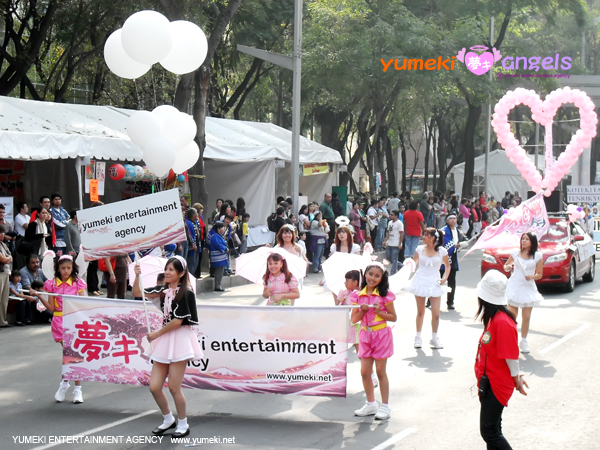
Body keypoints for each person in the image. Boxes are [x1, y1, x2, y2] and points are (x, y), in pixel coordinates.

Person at [132, 256, 202, 439]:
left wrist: (156, 334)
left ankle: (183, 423)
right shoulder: (163, 290)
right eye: (167, 269)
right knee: (154, 386)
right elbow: (137, 293)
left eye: (171, 269)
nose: (168, 272)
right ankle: (168, 418)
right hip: (165, 339)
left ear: (181, 273)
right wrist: (136, 275)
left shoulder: (186, 292)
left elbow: (178, 321)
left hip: (179, 340)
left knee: (173, 387)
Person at [474, 270, 528, 449]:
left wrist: (517, 378)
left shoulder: (502, 322)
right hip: (490, 380)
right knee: (493, 430)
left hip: (497, 383)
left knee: (490, 432)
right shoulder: (494, 317)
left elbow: (511, 356)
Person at [36, 254, 87, 403]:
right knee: (69, 354)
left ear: (73, 268)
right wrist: (40, 296)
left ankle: (72, 388)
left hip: (75, 321)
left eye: (69, 268)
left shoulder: (78, 283)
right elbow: (51, 308)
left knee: (73, 354)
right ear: (58, 268)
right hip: (59, 322)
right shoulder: (51, 284)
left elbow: (84, 303)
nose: (66, 271)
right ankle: (67, 386)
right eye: (63, 268)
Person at [350, 262, 397, 420]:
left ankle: (385, 406)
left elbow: (393, 317)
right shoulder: (358, 295)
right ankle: (371, 404)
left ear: (382, 278)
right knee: (365, 372)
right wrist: (362, 311)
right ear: (365, 275)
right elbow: (353, 319)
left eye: (377, 276)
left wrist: (378, 311)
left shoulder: (385, 295)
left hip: (381, 335)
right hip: (365, 335)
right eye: (370, 274)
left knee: (380, 371)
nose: (373, 278)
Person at [404, 228, 450, 349]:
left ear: (433, 237)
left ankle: (434, 338)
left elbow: (447, 266)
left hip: (434, 282)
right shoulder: (419, 249)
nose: (423, 237)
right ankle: (418, 337)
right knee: (421, 311)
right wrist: (405, 271)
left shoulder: (442, 251)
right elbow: (413, 264)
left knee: (436, 314)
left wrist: (444, 279)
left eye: (425, 235)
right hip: (420, 281)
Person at [503, 232, 543, 354]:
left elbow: (539, 274)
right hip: (515, 286)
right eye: (523, 239)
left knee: (526, 316)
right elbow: (506, 266)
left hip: (528, 287)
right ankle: (512, 340)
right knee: (512, 316)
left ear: (532, 241)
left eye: (527, 239)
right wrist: (508, 267)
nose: (524, 241)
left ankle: (524, 341)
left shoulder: (537, 255)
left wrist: (531, 276)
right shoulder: (515, 253)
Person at [440, 213, 464, 310]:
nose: (453, 220)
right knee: (438, 279)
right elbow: (446, 245)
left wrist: (461, 244)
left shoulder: (457, 231)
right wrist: (457, 245)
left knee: (452, 281)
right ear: (447, 221)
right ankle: (430, 299)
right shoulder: (444, 231)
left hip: (452, 258)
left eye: (454, 218)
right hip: (442, 258)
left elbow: (459, 241)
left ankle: (450, 302)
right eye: (451, 219)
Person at [335, 270, 361, 352]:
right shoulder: (343, 292)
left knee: (358, 342)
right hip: (344, 321)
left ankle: (362, 360)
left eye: (347, 280)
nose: (344, 283)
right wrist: (341, 301)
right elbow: (337, 305)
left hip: (356, 322)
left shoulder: (361, 294)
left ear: (355, 282)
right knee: (342, 341)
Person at [207, 222, 228, 292]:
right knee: (219, 272)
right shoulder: (215, 236)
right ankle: (217, 286)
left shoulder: (218, 235)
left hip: (220, 258)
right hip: (218, 258)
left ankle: (218, 285)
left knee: (220, 272)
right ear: (219, 229)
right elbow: (218, 245)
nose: (224, 228)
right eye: (223, 227)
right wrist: (225, 248)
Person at [383, 210, 404, 275]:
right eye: (390, 214)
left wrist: (400, 243)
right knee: (389, 258)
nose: (390, 216)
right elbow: (388, 232)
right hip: (390, 243)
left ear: (396, 216)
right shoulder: (390, 223)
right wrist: (385, 241)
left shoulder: (399, 223)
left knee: (394, 259)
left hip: (396, 243)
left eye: (392, 215)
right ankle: (402, 266)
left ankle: (393, 273)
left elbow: (401, 234)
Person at [0, 225, 12, 328]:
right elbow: (3, 260)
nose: (2, 235)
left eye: (3, 233)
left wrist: (7, 258)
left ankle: (2, 321)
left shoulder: (3, 244)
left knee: (4, 299)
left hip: (6, 272)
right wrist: (7, 258)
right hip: (0, 273)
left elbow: (10, 257)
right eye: (0, 233)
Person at [185, 208, 201, 277]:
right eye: (196, 213)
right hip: (192, 247)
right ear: (193, 215)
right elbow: (190, 235)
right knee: (191, 263)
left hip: (197, 245)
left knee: (195, 263)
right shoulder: (188, 223)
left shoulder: (194, 222)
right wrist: (193, 245)